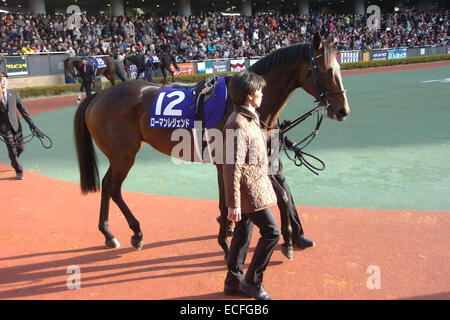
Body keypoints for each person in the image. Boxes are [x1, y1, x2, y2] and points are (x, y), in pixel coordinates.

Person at [222, 70, 280, 300]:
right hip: (248, 190)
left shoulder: (248, 118)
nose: (262, 94)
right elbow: (231, 167)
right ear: (248, 95)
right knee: (272, 232)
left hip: (252, 186)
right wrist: (233, 203)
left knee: (243, 234)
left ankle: (233, 282)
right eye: (259, 91)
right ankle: (252, 282)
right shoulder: (237, 123)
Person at [267, 126, 315, 260]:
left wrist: (294, 146)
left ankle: (296, 236)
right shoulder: (254, 112)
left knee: (287, 199)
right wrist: (275, 137)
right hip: (259, 168)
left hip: (275, 166)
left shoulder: (271, 114)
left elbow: (277, 134)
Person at [0, 72, 37, 180]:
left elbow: (23, 109)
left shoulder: (13, 93)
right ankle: (19, 171)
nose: (4, 80)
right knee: (11, 149)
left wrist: (32, 124)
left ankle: (13, 159)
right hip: (4, 128)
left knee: (21, 147)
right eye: (2, 79)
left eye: (5, 78)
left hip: (16, 126)